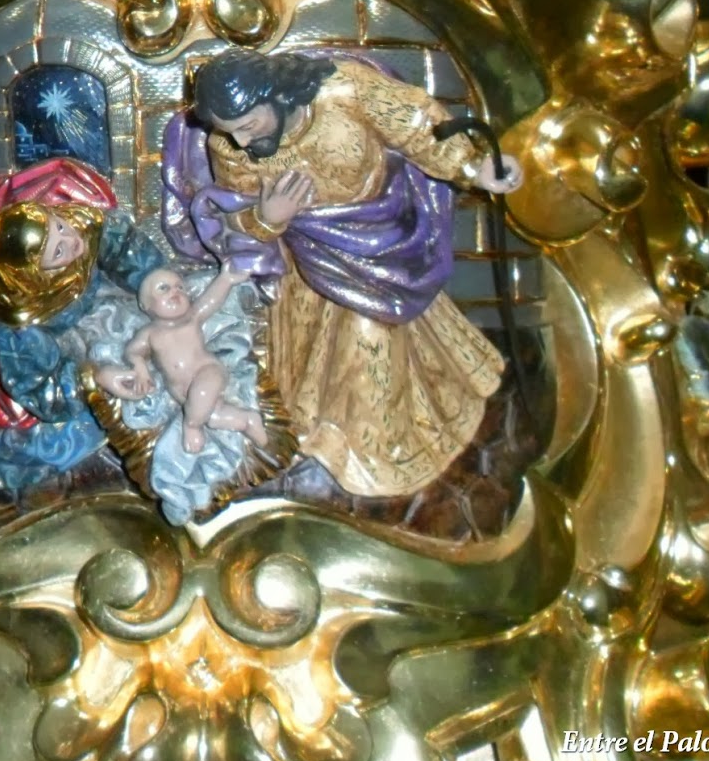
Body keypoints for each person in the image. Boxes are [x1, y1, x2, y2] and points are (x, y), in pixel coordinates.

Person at [162, 47, 523, 498]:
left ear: (276, 96)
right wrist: (268, 218)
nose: (238, 141)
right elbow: (233, 220)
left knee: (376, 344)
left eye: (247, 126)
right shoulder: (228, 147)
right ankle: (320, 446)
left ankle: (384, 455)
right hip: (305, 271)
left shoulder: (346, 91)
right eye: (227, 131)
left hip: (383, 248)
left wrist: (475, 167)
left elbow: (418, 127)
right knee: (312, 369)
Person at [0, 158, 167, 490]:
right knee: (61, 440)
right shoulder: (19, 319)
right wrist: (92, 378)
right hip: (63, 358)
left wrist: (150, 278)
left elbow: (121, 244)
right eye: (58, 251)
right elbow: (38, 386)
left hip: (108, 313)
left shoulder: (81, 224)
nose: (71, 241)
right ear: (35, 274)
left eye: (60, 228)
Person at [102, 265, 268, 453]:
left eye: (180, 287)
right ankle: (247, 420)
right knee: (213, 417)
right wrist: (140, 367)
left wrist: (226, 279)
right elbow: (132, 352)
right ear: (145, 304)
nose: (175, 291)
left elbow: (210, 300)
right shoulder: (149, 333)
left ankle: (192, 427)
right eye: (164, 288)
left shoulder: (191, 318)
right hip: (181, 391)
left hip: (207, 372)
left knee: (200, 401)